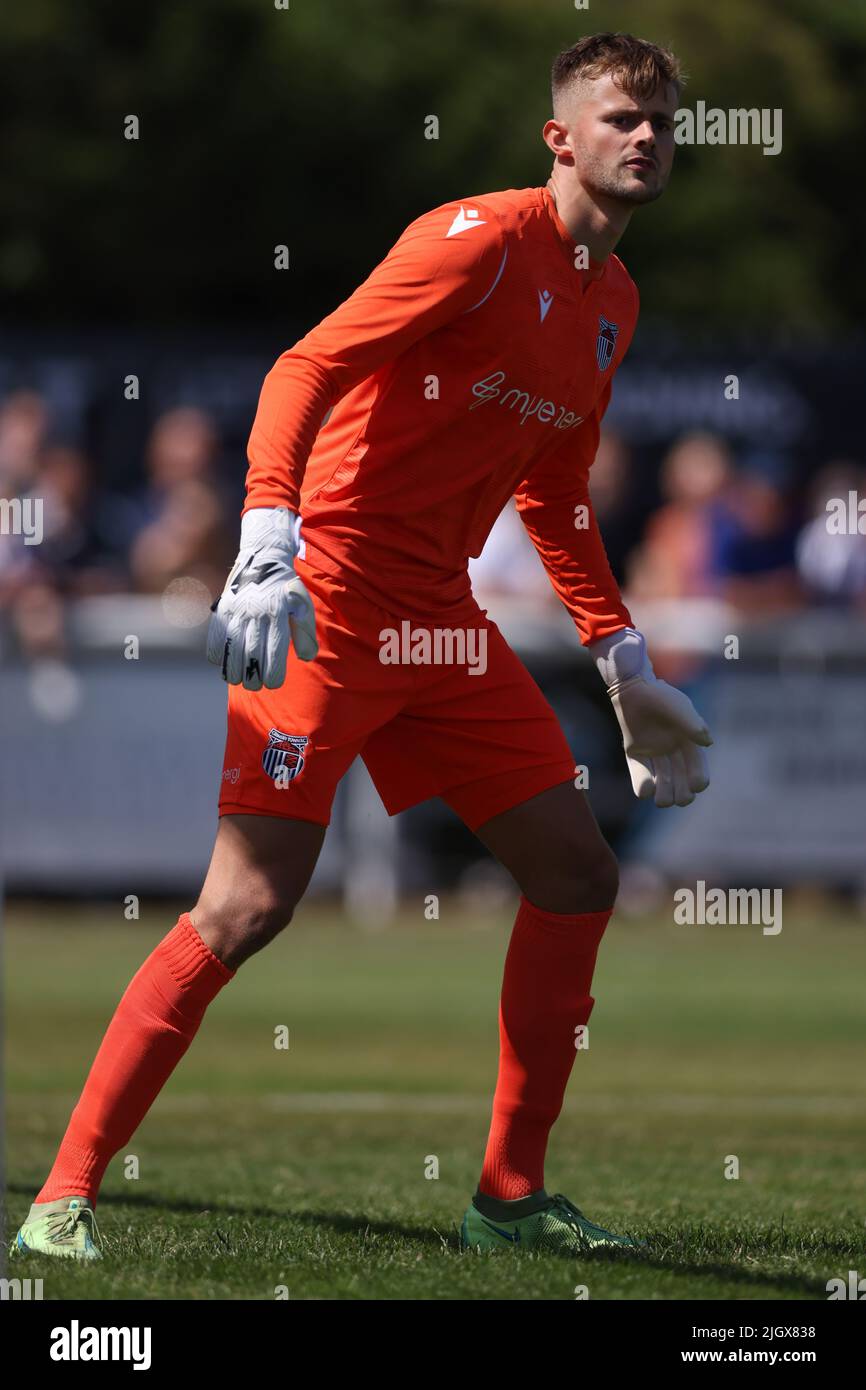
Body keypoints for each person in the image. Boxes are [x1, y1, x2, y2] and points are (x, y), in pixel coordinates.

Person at [14, 31, 711, 1263]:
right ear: (561, 137)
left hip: (439, 620)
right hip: (324, 603)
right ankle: (61, 1196)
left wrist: (620, 659)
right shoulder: (478, 240)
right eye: (620, 116)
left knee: (576, 872)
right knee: (245, 907)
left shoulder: (616, 304)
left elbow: (552, 494)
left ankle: (505, 1199)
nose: (646, 135)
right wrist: (266, 537)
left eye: (661, 118)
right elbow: (307, 364)